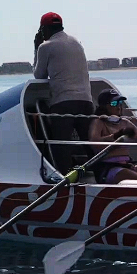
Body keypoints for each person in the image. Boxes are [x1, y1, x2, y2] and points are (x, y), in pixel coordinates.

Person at [32, 12, 93, 173]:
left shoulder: (46, 47)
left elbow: (39, 75)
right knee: (90, 144)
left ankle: (65, 179)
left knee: (61, 146)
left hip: (63, 102)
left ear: (44, 29)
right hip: (86, 101)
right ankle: (102, 175)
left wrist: (36, 48)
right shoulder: (76, 42)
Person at [88, 88, 137, 184]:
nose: (119, 106)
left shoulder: (125, 122)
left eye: (120, 102)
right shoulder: (98, 122)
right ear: (104, 106)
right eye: (114, 103)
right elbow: (94, 143)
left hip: (128, 165)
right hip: (109, 168)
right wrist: (117, 135)